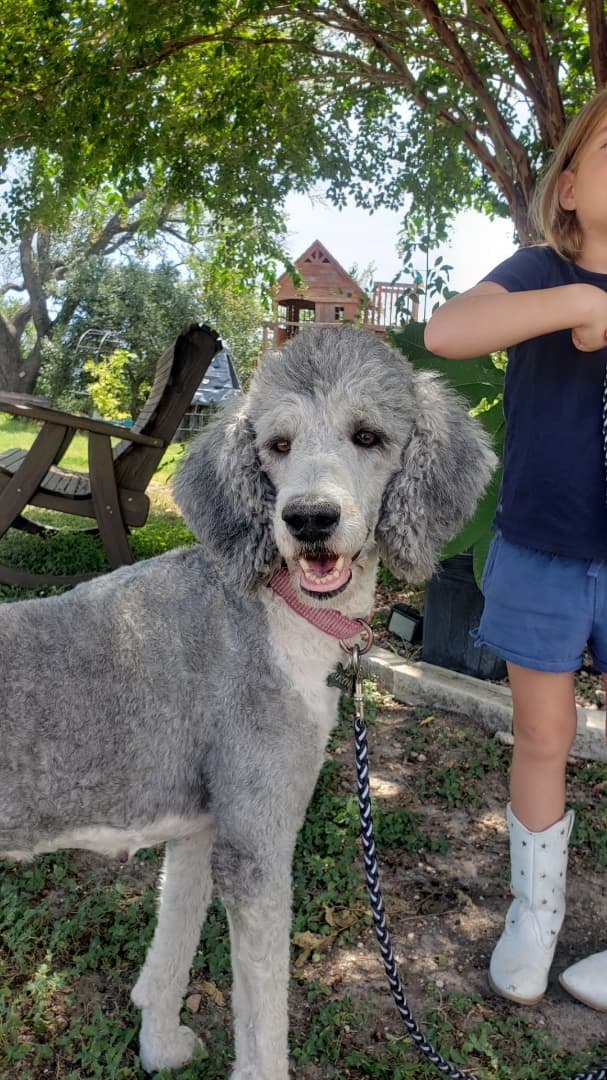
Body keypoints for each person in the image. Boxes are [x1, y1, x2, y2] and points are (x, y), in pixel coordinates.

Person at [424, 87, 607, 1013]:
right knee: (541, 734)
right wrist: (574, 300)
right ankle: (531, 917)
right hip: (538, 549)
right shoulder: (540, 269)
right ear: (568, 186)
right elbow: (446, 330)